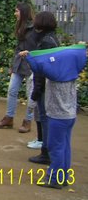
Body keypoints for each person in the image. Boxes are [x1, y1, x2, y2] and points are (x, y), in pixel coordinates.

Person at [25, 38, 86, 189]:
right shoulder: (71, 72)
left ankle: (54, 179)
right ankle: (63, 177)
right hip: (69, 115)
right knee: (64, 147)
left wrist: (28, 55)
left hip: (57, 116)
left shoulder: (55, 74)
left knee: (55, 147)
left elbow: (38, 66)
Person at [18, 11, 59, 165]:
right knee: (45, 118)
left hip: (44, 87)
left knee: (44, 118)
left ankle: (46, 152)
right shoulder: (50, 38)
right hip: (47, 85)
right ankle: (46, 150)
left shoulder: (46, 41)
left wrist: (36, 92)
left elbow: (42, 69)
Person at [0, 2, 37, 132]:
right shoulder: (20, 26)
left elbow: (37, 47)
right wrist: (13, 65)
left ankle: (28, 121)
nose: (15, 13)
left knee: (30, 94)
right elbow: (18, 48)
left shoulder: (35, 28)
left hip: (31, 65)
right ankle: (9, 117)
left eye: (17, 11)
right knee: (12, 90)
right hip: (19, 63)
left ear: (23, 12)